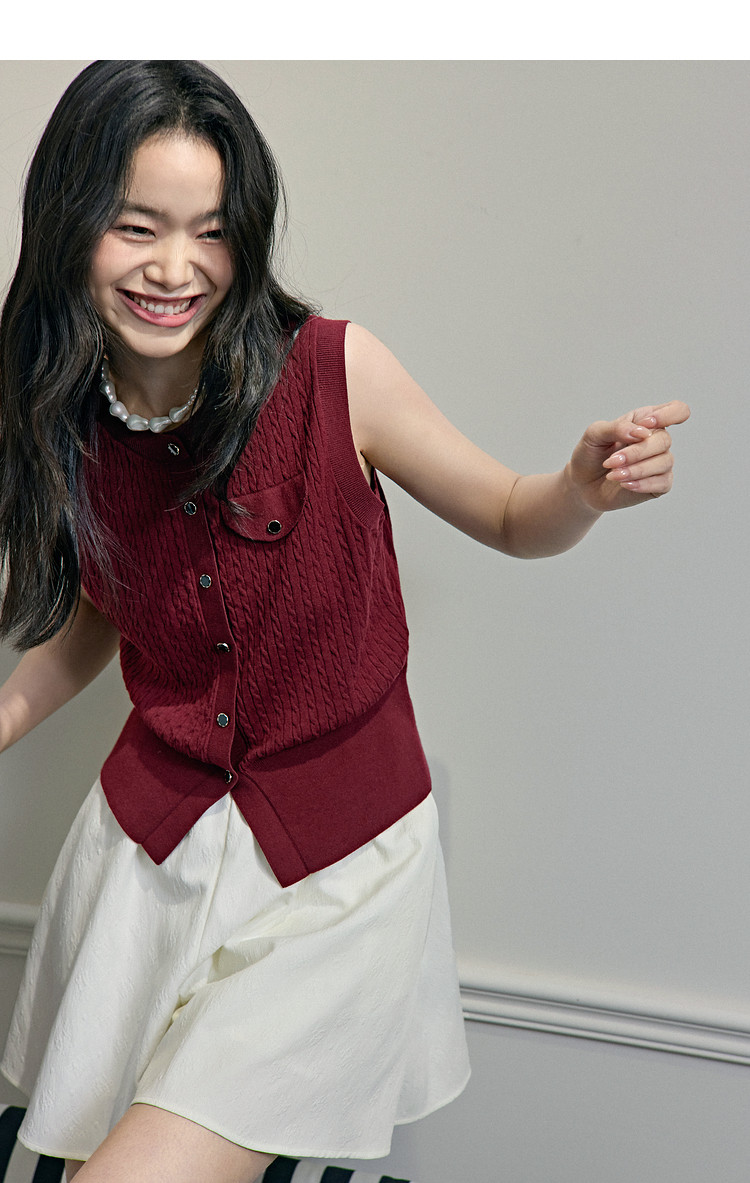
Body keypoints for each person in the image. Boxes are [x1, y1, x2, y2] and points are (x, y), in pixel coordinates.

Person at [0, 60, 689, 1183]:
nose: (175, 267)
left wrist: (579, 488)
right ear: (70, 222)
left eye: (212, 232)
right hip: (153, 852)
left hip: (337, 869)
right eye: (136, 227)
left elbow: (511, 515)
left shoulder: (334, 370)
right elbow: (95, 612)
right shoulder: (62, 409)